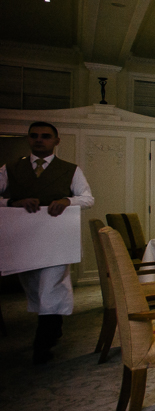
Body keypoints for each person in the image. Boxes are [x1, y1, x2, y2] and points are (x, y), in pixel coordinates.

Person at [0, 122, 95, 364]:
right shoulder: (11, 169)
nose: (39, 140)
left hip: (57, 238)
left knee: (51, 286)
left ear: (56, 141)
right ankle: (54, 328)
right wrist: (12, 203)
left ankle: (42, 344)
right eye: (34, 136)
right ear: (28, 139)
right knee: (34, 287)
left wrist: (66, 200)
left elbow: (87, 199)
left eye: (45, 136)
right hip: (24, 240)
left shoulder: (70, 170)